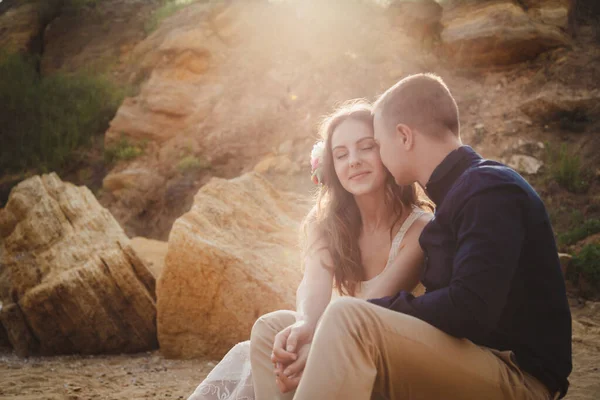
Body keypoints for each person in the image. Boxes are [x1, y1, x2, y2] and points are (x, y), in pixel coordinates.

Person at [267, 73, 572, 400]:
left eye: (377, 146)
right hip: (466, 360)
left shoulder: (490, 189)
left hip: (517, 374)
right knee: (274, 331)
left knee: (345, 316)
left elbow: (469, 308)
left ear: (404, 137)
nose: (378, 158)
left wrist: (384, 311)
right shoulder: (457, 196)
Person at [187, 100, 433, 400]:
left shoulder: (419, 228)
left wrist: (317, 346)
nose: (353, 160)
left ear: (388, 151)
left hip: (388, 354)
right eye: (340, 154)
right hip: (338, 337)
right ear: (331, 166)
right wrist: (305, 324)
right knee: (272, 327)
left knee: (302, 345)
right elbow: (313, 283)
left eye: (366, 147)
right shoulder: (325, 224)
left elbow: (369, 305)